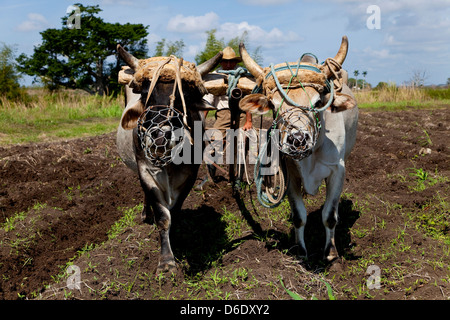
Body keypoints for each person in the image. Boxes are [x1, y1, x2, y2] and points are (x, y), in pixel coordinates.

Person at [203, 46, 253, 182]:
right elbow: (208, 101)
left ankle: (239, 176)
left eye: (232, 62)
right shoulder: (214, 76)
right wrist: (202, 120)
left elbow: (248, 100)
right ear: (221, 62)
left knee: (242, 143)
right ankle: (210, 176)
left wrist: (249, 121)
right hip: (223, 113)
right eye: (226, 61)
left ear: (236, 62)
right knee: (216, 143)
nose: (229, 64)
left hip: (242, 112)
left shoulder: (243, 75)